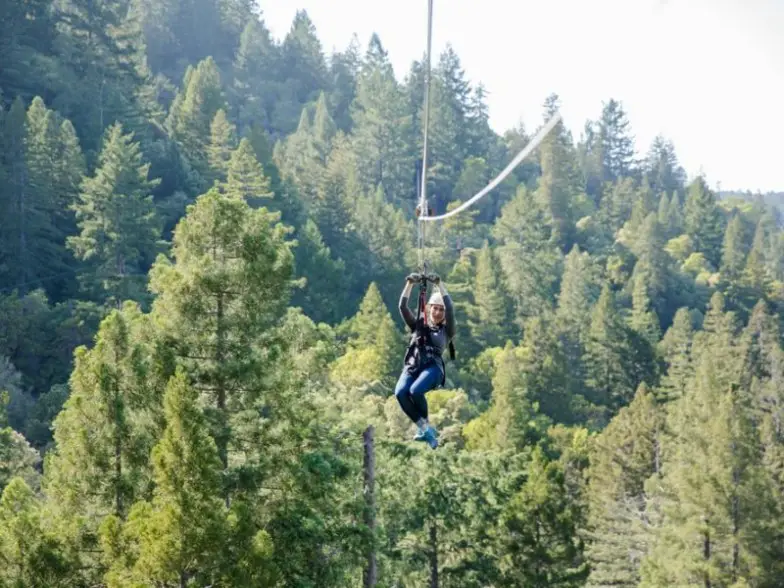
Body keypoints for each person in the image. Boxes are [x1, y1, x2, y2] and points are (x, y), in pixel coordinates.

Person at [394, 272, 455, 449]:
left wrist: (439, 284)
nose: (438, 312)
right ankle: (424, 428)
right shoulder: (418, 326)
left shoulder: (447, 330)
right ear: (429, 308)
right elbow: (402, 307)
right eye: (435, 308)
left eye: (441, 310)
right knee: (400, 393)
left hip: (433, 368)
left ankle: (425, 425)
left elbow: (450, 308)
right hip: (413, 366)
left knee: (415, 391)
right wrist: (410, 283)